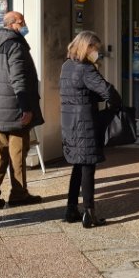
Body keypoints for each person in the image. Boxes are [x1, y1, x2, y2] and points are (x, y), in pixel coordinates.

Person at [0, 10, 44, 208]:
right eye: (21, 22)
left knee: (0, 154)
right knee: (18, 155)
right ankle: (18, 194)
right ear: (12, 24)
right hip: (15, 109)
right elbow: (19, 78)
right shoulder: (15, 45)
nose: (24, 25)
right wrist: (26, 107)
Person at [59, 31, 121, 228]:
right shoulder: (85, 69)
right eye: (96, 49)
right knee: (87, 167)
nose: (98, 53)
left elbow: (78, 91)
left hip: (69, 121)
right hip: (85, 122)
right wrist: (116, 105)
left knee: (78, 165)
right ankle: (89, 213)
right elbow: (107, 90)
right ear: (88, 48)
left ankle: (71, 208)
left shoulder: (67, 65)